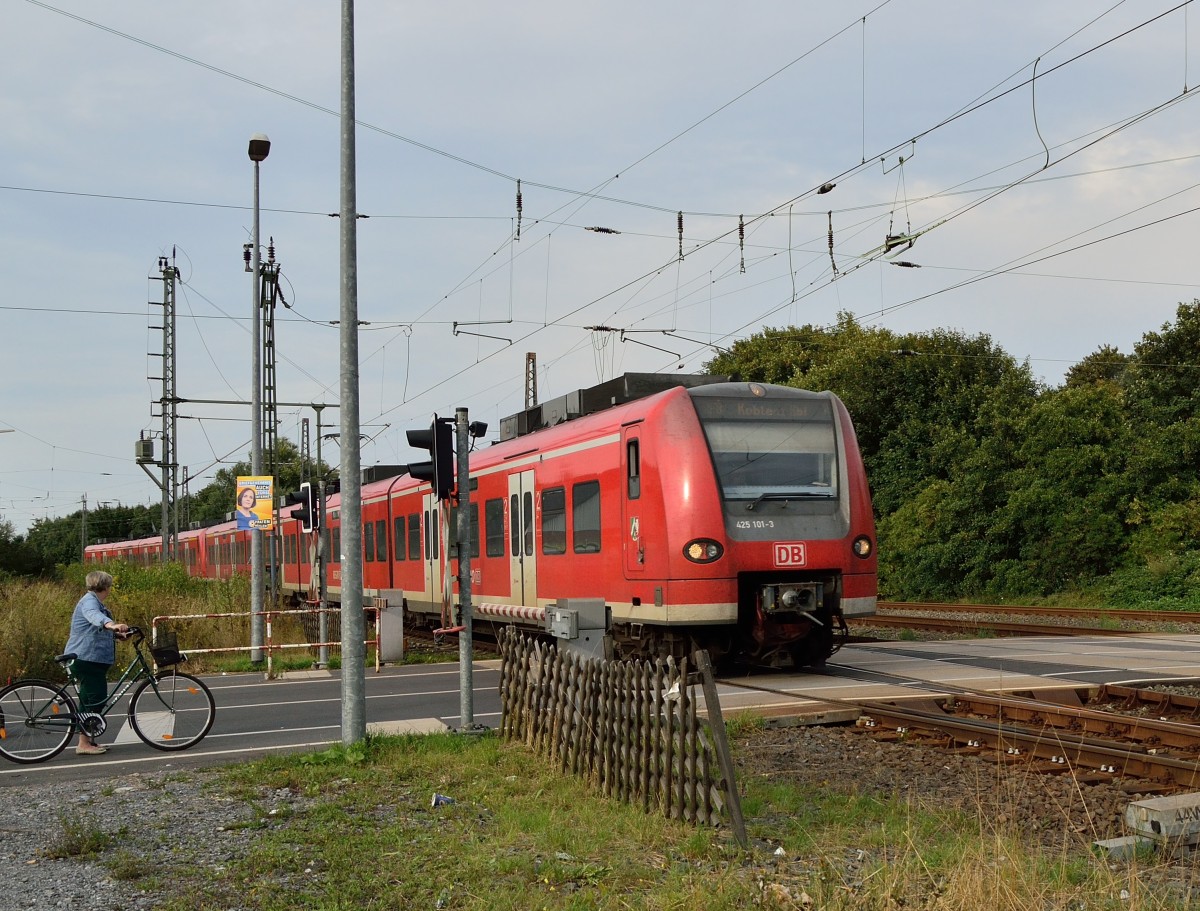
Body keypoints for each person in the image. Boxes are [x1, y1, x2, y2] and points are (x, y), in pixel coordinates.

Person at [63, 570, 130, 755]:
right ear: (106, 586)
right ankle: (84, 743)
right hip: (86, 658)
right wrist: (111, 624)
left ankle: (85, 743)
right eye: (109, 586)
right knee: (96, 699)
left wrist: (116, 634)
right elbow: (94, 617)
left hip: (89, 659)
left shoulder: (96, 602)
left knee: (88, 701)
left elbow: (94, 629)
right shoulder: (90, 602)